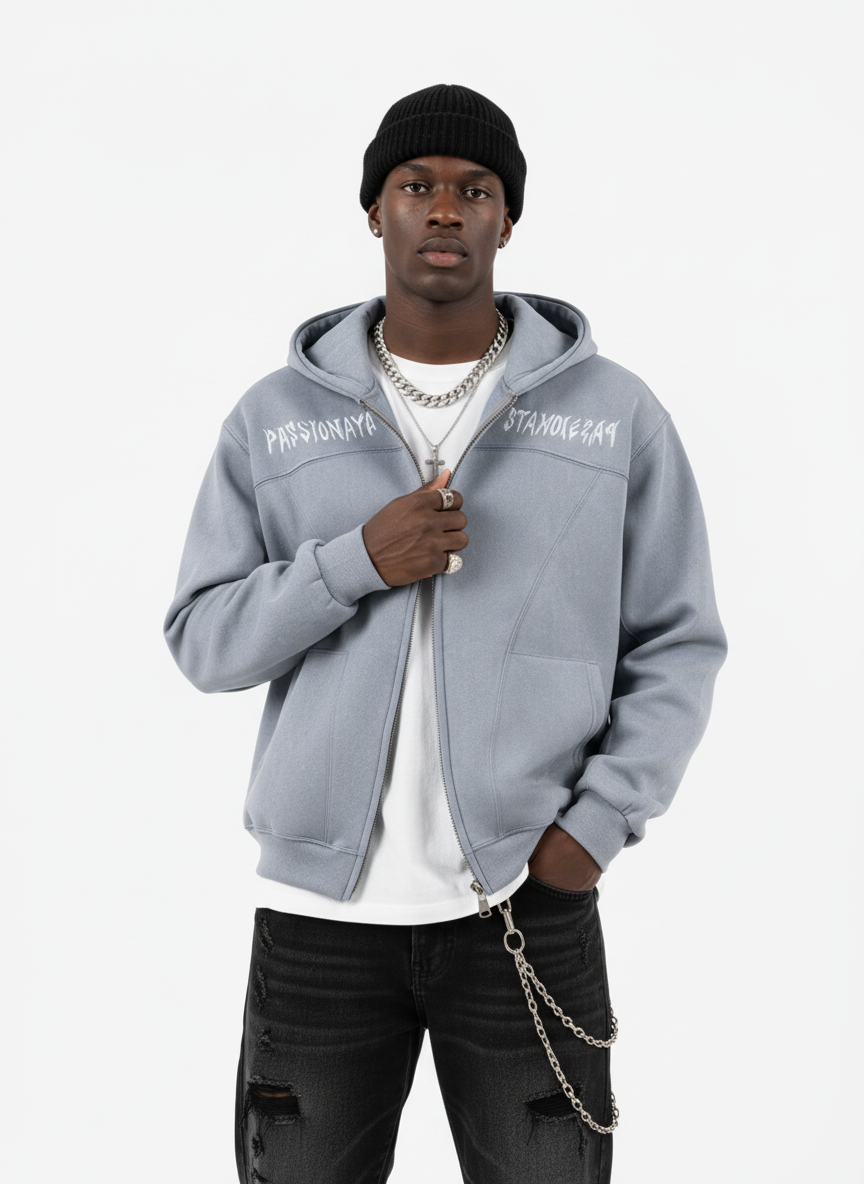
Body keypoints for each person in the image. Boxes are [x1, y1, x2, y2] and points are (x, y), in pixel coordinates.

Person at [164, 83, 727, 1184]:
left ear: (507, 220)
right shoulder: (275, 418)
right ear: (373, 210)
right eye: (415, 185)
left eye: (474, 190)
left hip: (526, 907)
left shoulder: (613, 414)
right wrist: (355, 562)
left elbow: (679, 641)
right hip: (319, 920)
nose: (443, 208)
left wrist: (592, 831)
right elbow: (204, 641)